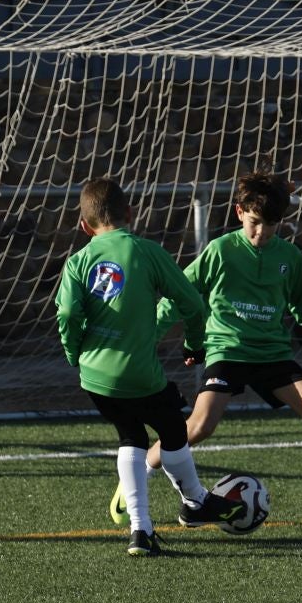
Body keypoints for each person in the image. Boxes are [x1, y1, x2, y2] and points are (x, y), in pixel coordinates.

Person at [109, 170, 302, 530]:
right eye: (256, 223)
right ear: (240, 212)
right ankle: (138, 476)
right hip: (227, 349)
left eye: (271, 225)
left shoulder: (290, 258)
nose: (262, 233)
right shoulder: (221, 251)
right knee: (200, 426)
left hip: (272, 354)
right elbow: (180, 296)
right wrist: (148, 338)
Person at [56, 176, 244, 556]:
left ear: (83, 225)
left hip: (94, 377)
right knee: (174, 430)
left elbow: (67, 314)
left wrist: (75, 354)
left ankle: (141, 531)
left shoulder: (77, 262)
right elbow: (192, 303)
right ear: (130, 212)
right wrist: (194, 342)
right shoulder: (147, 252)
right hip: (139, 375)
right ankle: (196, 500)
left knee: (131, 437)